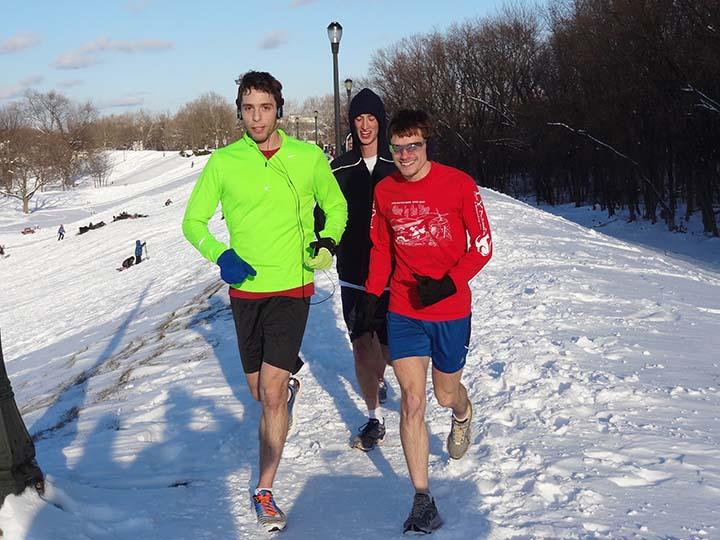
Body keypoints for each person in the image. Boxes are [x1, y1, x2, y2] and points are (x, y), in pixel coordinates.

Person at [182, 71, 347, 533]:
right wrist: (222, 255)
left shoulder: (308, 156)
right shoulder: (224, 162)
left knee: (269, 394)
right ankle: (286, 387)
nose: (257, 116)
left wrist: (329, 242)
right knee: (260, 391)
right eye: (248, 107)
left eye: (265, 106)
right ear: (240, 110)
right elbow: (192, 222)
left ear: (280, 108)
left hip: (292, 285)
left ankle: (264, 489)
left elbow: (337, 207)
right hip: (245, 290)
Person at [361, 109, 493, 534]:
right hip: (404, 310)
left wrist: (449, 283)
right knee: (412, 402)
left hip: (450, 310)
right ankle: (422, 498)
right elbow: (381, 248)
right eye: (397, 148)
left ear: (426, 144)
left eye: (412, 146)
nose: (405, 155)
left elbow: (484, 245)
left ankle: (463, 411)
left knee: (444, 394)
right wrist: (371, 295)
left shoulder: (459, 184)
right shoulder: (384, 191)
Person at [325, 88, 397, 452]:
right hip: (354, 272)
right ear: (351, 124)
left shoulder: (397, 167)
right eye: (358, 119)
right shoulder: (339, 168)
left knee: (389, 350)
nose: (365, 126)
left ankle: (381, 377)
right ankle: (374, 419)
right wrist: (323, 243)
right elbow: (321, 216)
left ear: (380, 122)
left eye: (371, 118)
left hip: (393, 274)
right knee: (360, 346)